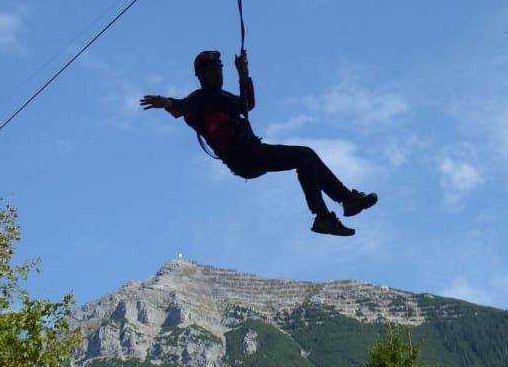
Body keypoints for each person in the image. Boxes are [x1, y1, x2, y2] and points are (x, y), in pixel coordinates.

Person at [140, 50, 377, 237]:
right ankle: (328, 213)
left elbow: (246, 105)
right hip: (243, 155)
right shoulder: (199, 100)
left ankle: (344, 201)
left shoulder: (223, 97)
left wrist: (243, 74)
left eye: (219, 70)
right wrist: (166, 102)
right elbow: (182, 106)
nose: (217, 75)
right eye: (211, 71)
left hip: (250, 153)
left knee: (307, 157)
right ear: (200, 76)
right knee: (304, 156)